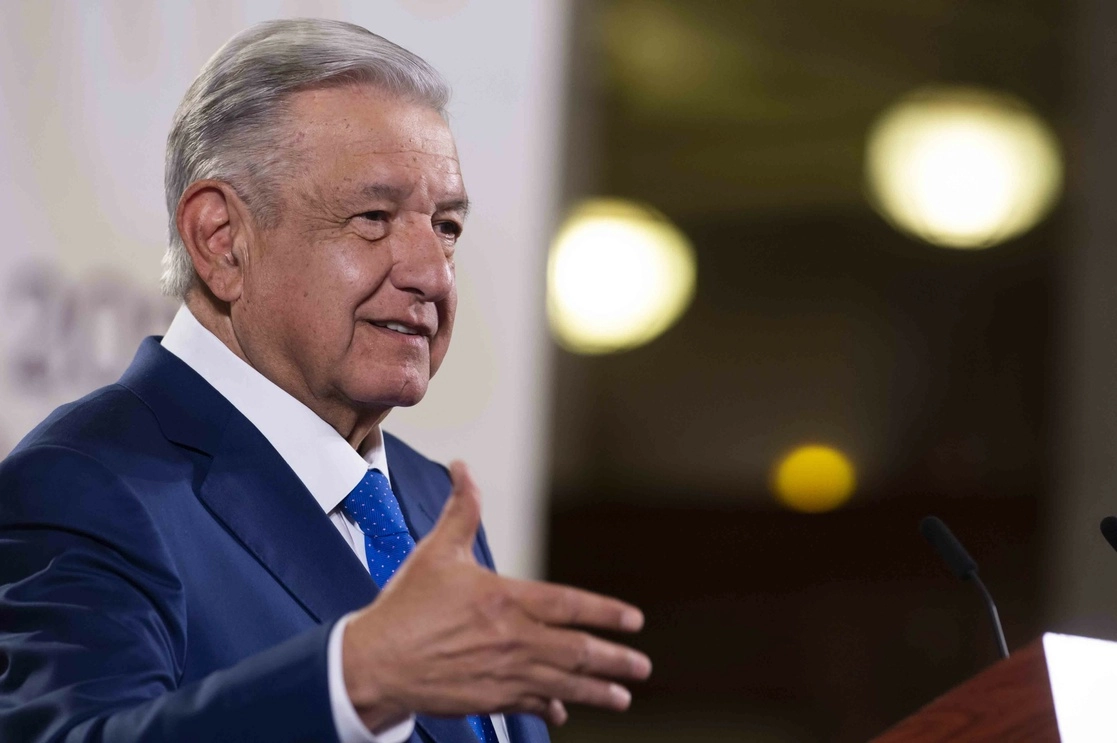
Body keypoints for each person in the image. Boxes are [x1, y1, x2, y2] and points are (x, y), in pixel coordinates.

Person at [0, 18, 651, 743]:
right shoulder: (85, 485)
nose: (431, 274)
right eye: (372, 217)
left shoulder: (430, 499)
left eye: (446, 226)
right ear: (221, 240)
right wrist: (354, 679)